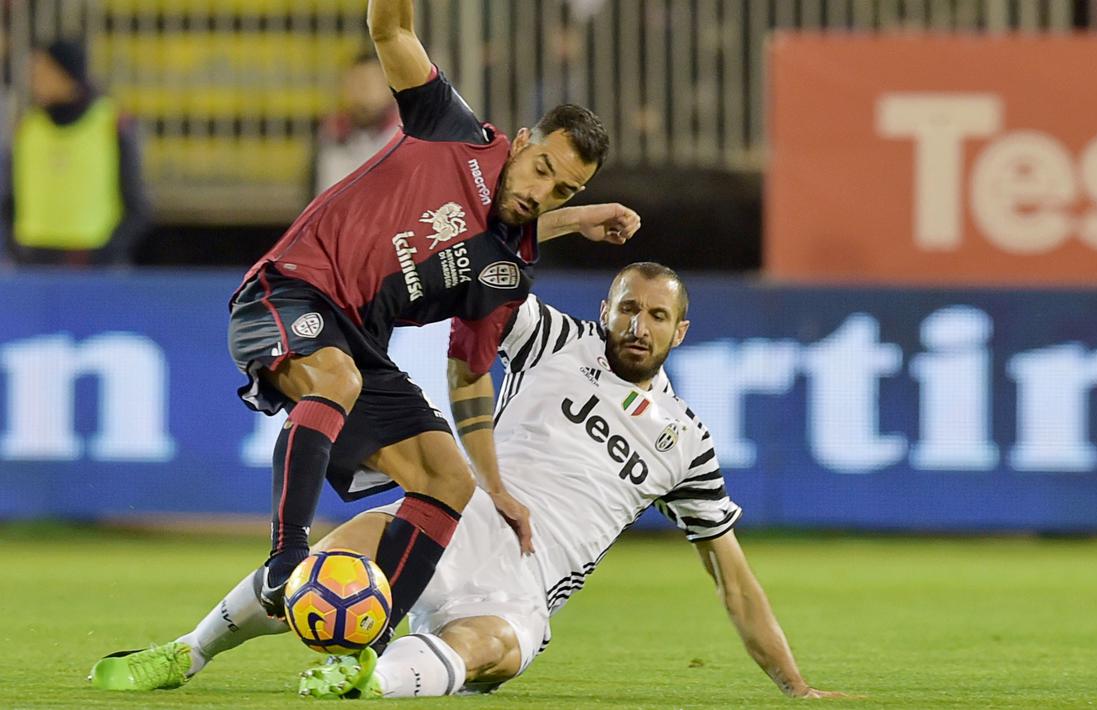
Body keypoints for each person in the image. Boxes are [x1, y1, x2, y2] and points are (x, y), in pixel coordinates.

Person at [90, 263, 842, 700]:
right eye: (626, 308)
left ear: (680, 332)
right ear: (604, 309)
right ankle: (185, 652)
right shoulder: (555, 339)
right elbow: (477, 282)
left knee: (493, 647)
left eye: (656, 315)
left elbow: (732, 581)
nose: (636, 325)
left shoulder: (689, 443)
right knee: (331, 558)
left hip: (518, 589)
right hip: (442, 526)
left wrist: (796, 689)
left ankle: (367, 681)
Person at [228, 0, 640, 627]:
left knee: (449, 481)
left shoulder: (504, 276)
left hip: (360, 344)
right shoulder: (452, 127)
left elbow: (469, 374)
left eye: (562, 191)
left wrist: (496, 485)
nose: (539, 192)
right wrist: (578, 218)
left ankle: (374, 634)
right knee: (336, 379)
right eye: (541, 170)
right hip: (286, 291)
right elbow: (390, 29)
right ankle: (286, 562)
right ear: (522, 142)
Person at [2, 38, 150, 266]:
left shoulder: (111, 123)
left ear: (65, 74)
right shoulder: (28, 128)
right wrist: (16, 249)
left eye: (42, 70)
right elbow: (10, 197)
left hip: (92, 265)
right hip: (33, 264)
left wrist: (107, 252)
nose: (33, 79)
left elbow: (136, 203)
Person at [310, 51, 401, 196]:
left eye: (369, 82)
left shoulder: (406, 135)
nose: (362, 90)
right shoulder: (329, 133)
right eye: (355, 81)